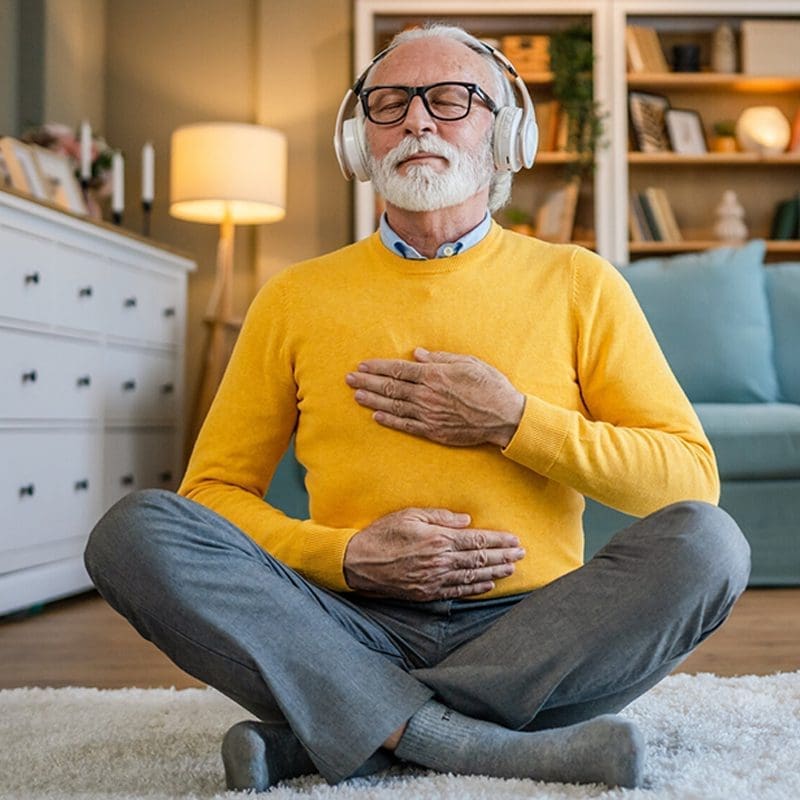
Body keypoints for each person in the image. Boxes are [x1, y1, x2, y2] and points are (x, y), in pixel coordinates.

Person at [84, 23, 750, 792]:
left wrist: (511, 422)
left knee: (710, 545)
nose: (418, 120)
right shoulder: (294, 298)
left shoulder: (580, 282)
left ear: (509, 135)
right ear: (359, 140)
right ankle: (470, 741)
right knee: (133, 531)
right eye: (390, 102)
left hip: (536, 631)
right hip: (345, 623)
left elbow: (688, 481)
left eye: (450, 99)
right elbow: (211, 496)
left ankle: (347, 726)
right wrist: (345, 556)